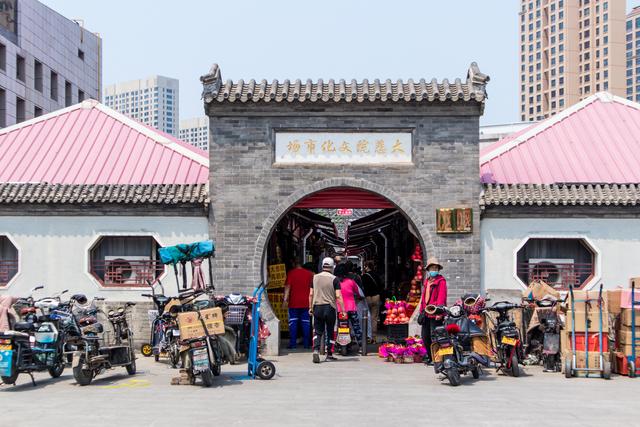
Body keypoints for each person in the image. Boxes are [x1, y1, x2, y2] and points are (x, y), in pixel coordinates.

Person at [309, 257, 344, 363]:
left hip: (317, 307)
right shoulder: (335, 279)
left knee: (317, 331)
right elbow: (338, 296)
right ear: (332, 266)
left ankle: (316, 350)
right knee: (330, 331)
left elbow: (311, 294)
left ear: (322, 266)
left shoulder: (314, 278)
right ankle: (329, 354)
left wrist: (310, 308)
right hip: (330, 307)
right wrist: (343, 309)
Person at [419, 257, 448, 365]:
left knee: (435, 336)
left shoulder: (441, 281)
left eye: (435, 268)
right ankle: (431, 357)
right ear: (428, 270)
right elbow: (423, 297)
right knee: (425, 336)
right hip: (426, 313)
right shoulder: (427, 281)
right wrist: (422, 310)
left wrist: (439, 312)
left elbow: (442, 297)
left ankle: (437, 359)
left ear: (438, 270)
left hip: (435, 313)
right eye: (432, 268)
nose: (433, 270)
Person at [283, 259, 314, 349]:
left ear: (294, 264)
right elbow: (313, 288)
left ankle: (293, 344)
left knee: (293, 323)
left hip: (293, 303)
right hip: (306, 303)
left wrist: (285, 300)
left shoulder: (291, 273)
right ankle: (306, 344)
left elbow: (287, 287)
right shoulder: (309, 274)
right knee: (306, 323)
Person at [333, 264, 363, 350]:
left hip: (340, 310)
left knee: (341, 327)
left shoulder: (335, 282)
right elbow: (358, 293)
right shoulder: (351, 282)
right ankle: (361, 346)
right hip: (352, 308)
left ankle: (339, 345)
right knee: (356, 327)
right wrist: (359, 298)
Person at [362, 261, 382, 341]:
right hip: (376, 296)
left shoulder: (363, 277)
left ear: (367, 266)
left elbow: (362, 287)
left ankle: (367, 335)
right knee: (374, 317)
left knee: (365, 317)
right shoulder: (377, 276)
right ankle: (374, 337)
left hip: (367, 297)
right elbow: (381, 286)